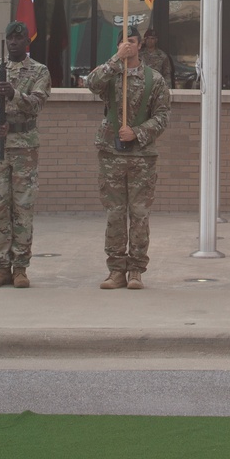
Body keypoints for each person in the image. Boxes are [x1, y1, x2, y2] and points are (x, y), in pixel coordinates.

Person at [87, 32, 171, 289]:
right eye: (122, 42)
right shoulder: (110, 74)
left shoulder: (154, 79)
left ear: (140, 45)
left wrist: (138, 132)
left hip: (141, 156)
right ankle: (115, 269)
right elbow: (91, 83)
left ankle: (135, 269)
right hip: (111, 154)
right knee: (115, 214)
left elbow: (163, 116)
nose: (127, 45)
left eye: (131, 42)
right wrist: (116, 59)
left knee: (139, 214)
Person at [0, 19, 52, 288]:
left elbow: (36, 104)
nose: (13, 43)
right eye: (10, 39)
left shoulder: (39, 71)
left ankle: (20, 267)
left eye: (18, 39)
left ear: (27, 42)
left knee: (23, 208)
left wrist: (14, 94)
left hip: (25, 147)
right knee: (0, 207)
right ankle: (2, 267)